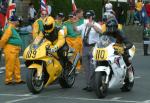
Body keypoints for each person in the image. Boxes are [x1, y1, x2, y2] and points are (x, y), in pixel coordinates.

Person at [74, 10, 102, 91]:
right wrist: (75, 22)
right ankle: (88, 85)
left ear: (93, 17)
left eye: (89, 16)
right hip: (85, 47)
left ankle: (93, 85)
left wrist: (92, 26)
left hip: (93, 47)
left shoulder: (96, 24)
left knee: (93, 67)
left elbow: (100, 31)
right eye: (87, 16)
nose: (88, 18)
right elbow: (76, 29)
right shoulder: (84, 25)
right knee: (86, 67)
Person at [103, 17, 134, 82]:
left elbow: (128, 42)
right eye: (109, 27)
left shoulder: (120, 32)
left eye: (112, 27)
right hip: (110, 48)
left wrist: (125, 47)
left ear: (115, 27)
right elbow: (101, 40)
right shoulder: (105, 33)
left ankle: (130, 70)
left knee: (125, 56)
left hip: (120, 47)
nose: (110, 29)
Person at [0, 15, 25, 85]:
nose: (19, 22)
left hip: (14, 49)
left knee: (16, 65)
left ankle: (18, 79)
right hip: (10, 49)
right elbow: (4, 39)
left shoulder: (12, 28)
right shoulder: (9, 28)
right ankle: (8, 80)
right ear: (14, 21)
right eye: (18, 20)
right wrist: (0, 47)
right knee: (10, 65)